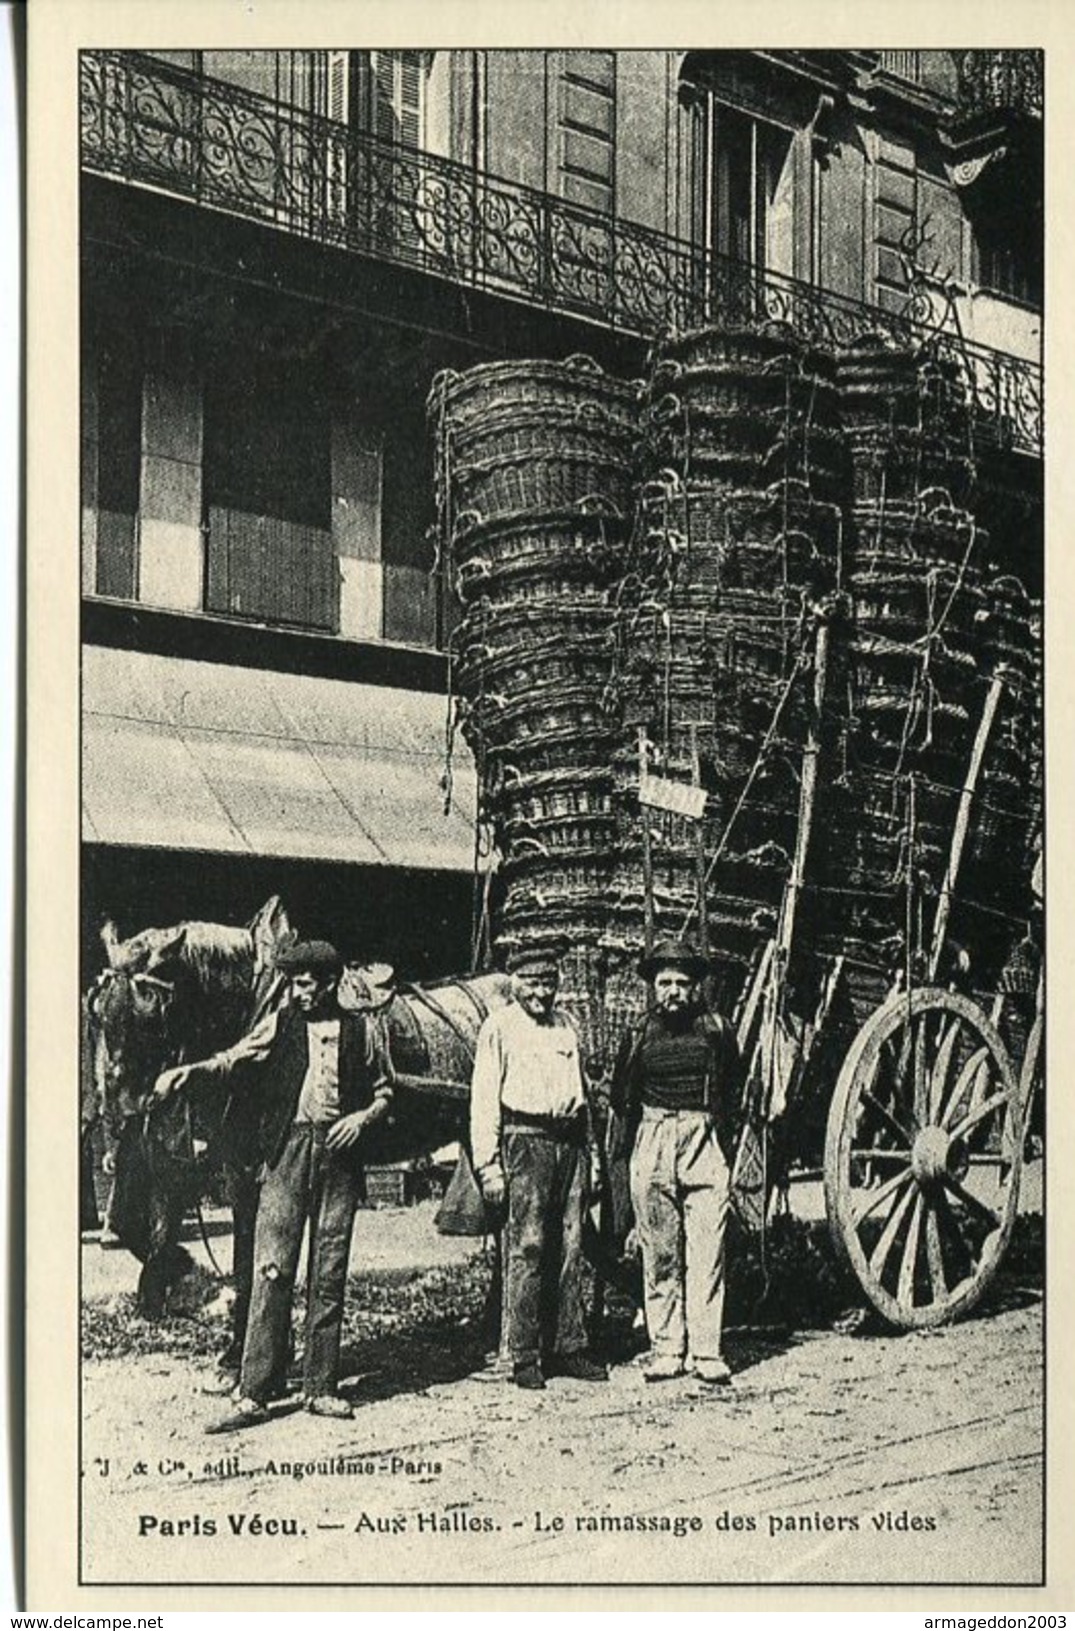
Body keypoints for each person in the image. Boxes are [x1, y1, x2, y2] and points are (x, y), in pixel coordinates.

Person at [151, 940, 392, 1430]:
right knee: (272, 1269)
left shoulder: (360, 1030)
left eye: (306, 984)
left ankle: (320, 1387)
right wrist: (187, 1072)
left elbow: (386, 1091)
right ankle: (256, 1391)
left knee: (329, 1270)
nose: (298, 993)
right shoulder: (281, 1024)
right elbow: (235, 1058)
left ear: (328, 984)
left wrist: (361, 1121)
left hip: (339, 1158)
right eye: (293, 984)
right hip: (287, 1153)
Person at [470, 943, 607, 1391]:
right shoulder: (499, 1028)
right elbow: (484, 1101)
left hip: (570, 1144)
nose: (541, 992)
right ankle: (525, 1354)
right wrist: (489, 1167)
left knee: (570, 1247)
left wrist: (594, 1158)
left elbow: (581, 1093)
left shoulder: (566, 1025)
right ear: (515, 984)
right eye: (532, 983)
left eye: (549, 982)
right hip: (525, 1143)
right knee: (528, 1247)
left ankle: (568, 1346)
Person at [610, 937, 743, 1385]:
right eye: (664, 983)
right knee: (660, 1251)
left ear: (695, 988)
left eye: (681, 984)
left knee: (707, 1250)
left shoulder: (716, 1031)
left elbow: (733, 1088)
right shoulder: (639, 1035)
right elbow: (621, 1100)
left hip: (702, 1139)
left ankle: (706, 1352)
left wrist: (716, 1138)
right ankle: (666, 1348)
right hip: (652, 1138)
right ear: (653, 987)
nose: (672, 992)